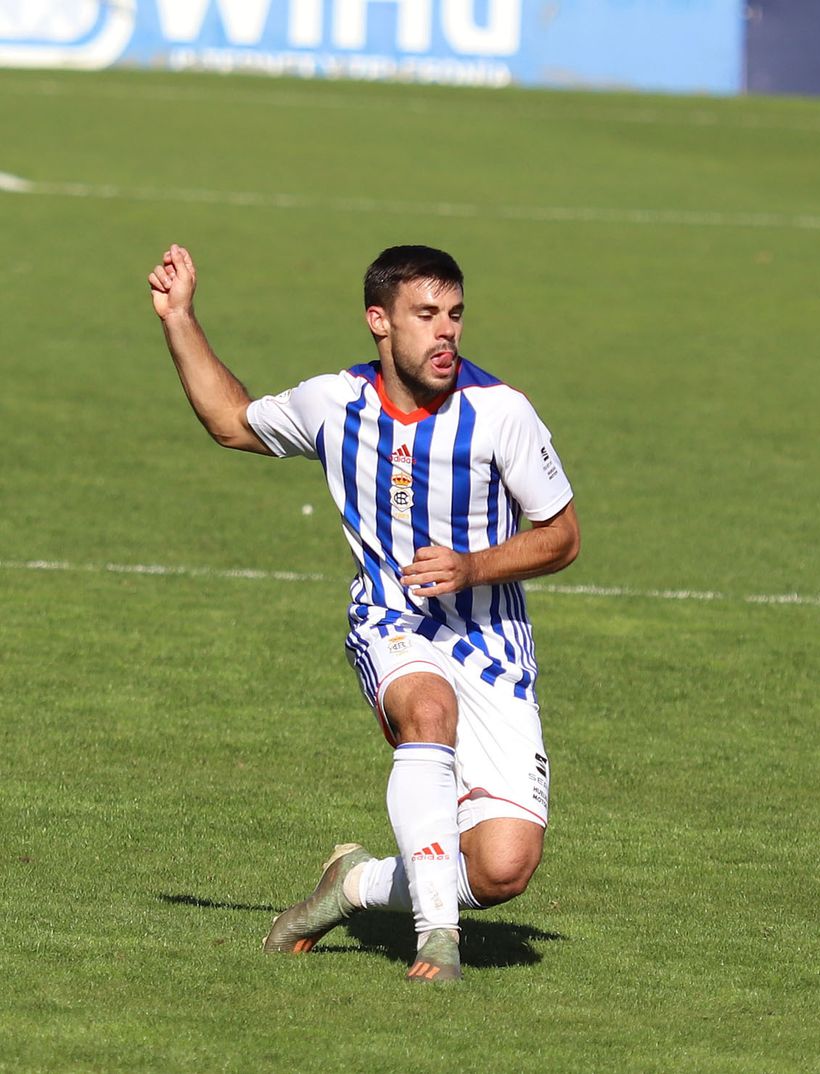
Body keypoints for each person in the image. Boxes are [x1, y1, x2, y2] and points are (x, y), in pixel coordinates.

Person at [149, 243, 580, 983]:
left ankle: (352, 885)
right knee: (428, 708)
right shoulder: (334, 402)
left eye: (455, 314)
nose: (446, 332)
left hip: (492, 647)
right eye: (425, 315)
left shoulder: (500, 413)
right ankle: (438, 938)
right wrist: (181, 319)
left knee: (504, 868)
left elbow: (563, 536)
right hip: (390, 624)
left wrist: (474, 566)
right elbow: (230, 421)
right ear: (378, 321)